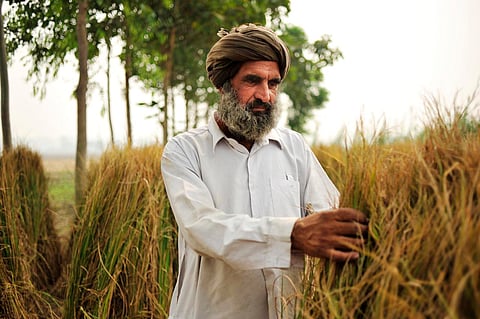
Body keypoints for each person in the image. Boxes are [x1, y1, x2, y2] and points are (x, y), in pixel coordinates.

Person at [161, 23, 368, 319]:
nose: (266, 95)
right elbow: (202, 229)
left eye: (273, 83)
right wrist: (293, 235)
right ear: (223, 85)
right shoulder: (184, 151)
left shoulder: (294, 147)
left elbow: (328, 213)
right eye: (253, 81)